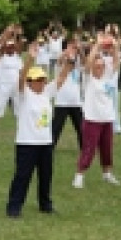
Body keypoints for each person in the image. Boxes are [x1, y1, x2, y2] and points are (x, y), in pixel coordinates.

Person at [6, 42, 74, 218]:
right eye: (37, 80)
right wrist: (30, 58)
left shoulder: (46, 94)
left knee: (46, 176)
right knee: (23, 176)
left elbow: (60, 79)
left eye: (43, 80)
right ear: (30, 82)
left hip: (45, 142)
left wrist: (69, 60)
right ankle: (14, 207)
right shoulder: (24, 95)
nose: (42, 83)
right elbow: (21, 78)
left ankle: (45, 204)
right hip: (27, 143)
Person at [72, 32, 121, 189]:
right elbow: (88, 63)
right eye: (97, 65)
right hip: (92, 119)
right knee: (89, 149)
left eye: (101, 65)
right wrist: (98, 46)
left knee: (107, 149)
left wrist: (114, 46)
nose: (99, 67)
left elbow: (116, 61)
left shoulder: (108, 76)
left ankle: (107, 174)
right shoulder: (89, 78)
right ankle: (79, 175)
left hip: (107, 119)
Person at [51, 37, 83, 149]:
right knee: (56, 127)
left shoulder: (78, 64)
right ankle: (49, 147)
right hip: (62, 101)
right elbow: (60, 60)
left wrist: (79, 51)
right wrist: (67, 52)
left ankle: (85, 148)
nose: (74, 48)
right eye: (72, 45)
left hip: (76, 101)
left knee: (81, 127)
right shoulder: (60, 63)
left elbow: (84, 61)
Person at [0, 26, 22, 136]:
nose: (11, 48)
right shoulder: (1, 57)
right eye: (9, 47)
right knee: (0, 105)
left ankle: (21, 126)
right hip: (4, 85)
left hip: (16, 85)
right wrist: (7, 34)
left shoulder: (17, 57)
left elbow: (19, 46)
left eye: (12, 47)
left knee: (18, 106)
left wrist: (16, 35)